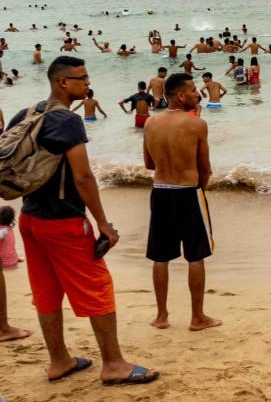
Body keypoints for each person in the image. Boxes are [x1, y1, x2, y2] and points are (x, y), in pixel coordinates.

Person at [6, 55, 159, 383]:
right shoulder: (67, 121)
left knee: (46, 291)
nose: (88, 83)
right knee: (96, 286)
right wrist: (102, 222)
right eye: (83, 78)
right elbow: (83, 176)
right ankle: (114, 365)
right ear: (63, 82)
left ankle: (59, 361)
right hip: (64, 221)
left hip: (30, 217)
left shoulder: (26, 113)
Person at [143, 73, 220, 332]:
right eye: (193, 90)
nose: (198, 94)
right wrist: (201, 188)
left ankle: (161, 315)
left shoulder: (150, 123)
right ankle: (197, 317)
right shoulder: (196, 124)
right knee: (195, 255)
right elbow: (205, 168)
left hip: (160, 191)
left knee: (160, 256)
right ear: (180, 95)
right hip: (188, 192)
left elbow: (149, 164)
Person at [1, 205, 31, 342]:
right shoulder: (9, 230)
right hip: (10, 259)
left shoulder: (3, 230)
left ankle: (2, 328)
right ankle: (2, 328)